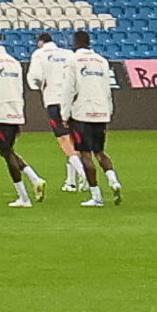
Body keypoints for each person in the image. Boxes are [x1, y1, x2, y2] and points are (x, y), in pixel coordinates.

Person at [0, 29, 44, 206]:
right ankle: (34, 178)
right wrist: (20, 115)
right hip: (15, 111)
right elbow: (20, 90)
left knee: (6, 153)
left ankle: (24, 197)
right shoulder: (14, 62)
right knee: (9, 150)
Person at [66, 29, 122, 206]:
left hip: (82, 113)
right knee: (100, 152)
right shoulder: (101, 61)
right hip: (101, 112)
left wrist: (64, 114)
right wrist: (108, 111)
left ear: (76, 43)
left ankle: (96, 196)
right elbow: (107, 89)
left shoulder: (73, 60)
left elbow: (69, 89)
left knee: (85, 154)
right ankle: (113, 180)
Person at [28, 31, 82, 192]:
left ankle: (82, 175)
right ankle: (71, 181)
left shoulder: (39, 54)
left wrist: (41, 86)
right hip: (72, 100)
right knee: (73, 139)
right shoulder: (68, 54)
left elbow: (35, 77)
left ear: (40, 42)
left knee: (63, 140)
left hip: (54, 100)